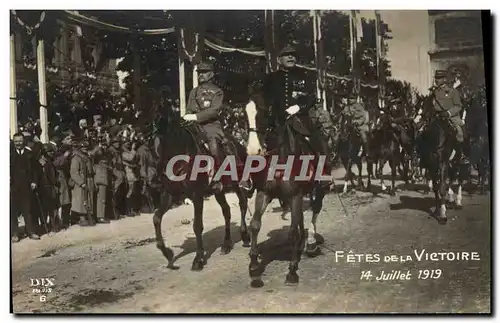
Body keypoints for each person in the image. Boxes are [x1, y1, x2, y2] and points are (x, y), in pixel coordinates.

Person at [262, 45, 334, 170]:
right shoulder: (270, 78)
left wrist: (298, 107)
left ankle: (323, 173)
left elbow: (310, 98)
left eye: (293, 55)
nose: (290, 57)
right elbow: (265, 99)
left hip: (300, 118)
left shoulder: (304, 76)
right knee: (261, 146)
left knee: (317, 140)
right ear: (279, 60)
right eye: (286, 55)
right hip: (276, 120)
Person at [182, 61, 226, 192]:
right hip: (194, 126)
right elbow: (190, 109)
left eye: (204, 72)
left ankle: (217, 178)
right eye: (199, 72)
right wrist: (188, 116)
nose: (201, 75)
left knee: (213, 145)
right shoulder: (193, 92)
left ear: (211, 74)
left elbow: (214, 111)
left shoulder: (217, 92)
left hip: (211, 125)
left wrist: (196, 117)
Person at [10, 132, 40, 242]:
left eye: (20, 141)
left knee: (28, 211)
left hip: (27, 187)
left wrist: (34, 182)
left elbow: (35, 171)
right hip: (12, 187)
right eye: (16, 141)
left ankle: (31, 232)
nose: (18, 143)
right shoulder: (8, 154)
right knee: (12, 211)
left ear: (24, 141)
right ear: (13, 142)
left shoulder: (29, 154)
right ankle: (15, 234)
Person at [429, 70, 465, 160]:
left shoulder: (453, 91)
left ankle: (461, 155)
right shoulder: (433, 92)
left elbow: (458, 106)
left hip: (451, 118)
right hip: (436, 117)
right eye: (436, 78)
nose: (437, 80)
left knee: (459, 133)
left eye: (439, 78)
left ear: (445, 79)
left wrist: (448, 113)